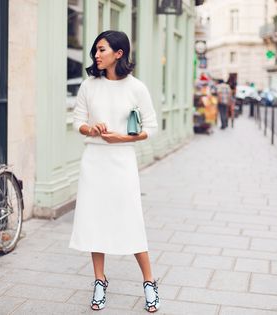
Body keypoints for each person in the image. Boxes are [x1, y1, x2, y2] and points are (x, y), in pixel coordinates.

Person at [69, 30, 160, 313]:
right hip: (94, 160)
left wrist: (124, 138)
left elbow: (151, 128)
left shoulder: (137, 88)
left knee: (130, 220)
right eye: (95, 50)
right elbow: (77, 122)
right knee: (95, 222)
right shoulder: (89, 85)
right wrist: (91, 128)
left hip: (121, 161)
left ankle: (149, 282)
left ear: (119, 53)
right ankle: (99, 280)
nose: (96, 55)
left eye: (102, 49)